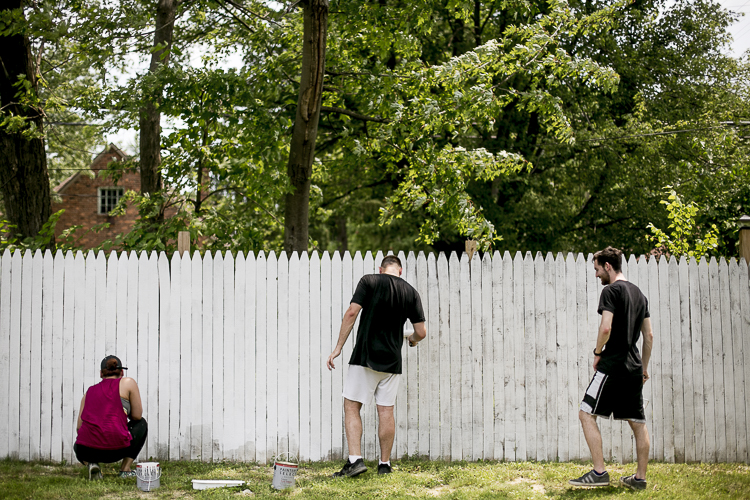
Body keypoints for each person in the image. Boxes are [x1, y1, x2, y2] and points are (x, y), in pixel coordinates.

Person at [327, 255, 427, 477]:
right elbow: (421, 332)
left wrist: (338, 348)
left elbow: (352, 313)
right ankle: (385, 464)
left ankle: (355, 460)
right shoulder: (411, 292)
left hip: (365, 357)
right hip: (392, 362)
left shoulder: (369, 281)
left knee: (352, 406)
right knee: (386, 410)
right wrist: (411, 341)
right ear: (400, 271)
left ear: (381, 269)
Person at [569, 247, 654, 490]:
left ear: (608, 266)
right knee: (638, 422)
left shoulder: (611, 290)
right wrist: (644, 368)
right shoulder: (639, 294)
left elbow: (605, 328)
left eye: (597, 269)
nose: (596, 275)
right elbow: (648, 335)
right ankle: (639, 478)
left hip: (612, 365)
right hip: (634, 367)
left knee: (586, 413)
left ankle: (598, 472)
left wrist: (597, 353)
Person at [74, 355, 148, 480]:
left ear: (101, 374)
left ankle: (92, 463)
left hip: (85, 451)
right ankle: (125, 469)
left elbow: (79, 427)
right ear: (122, 372)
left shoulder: (89, 392)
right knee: (141, 424)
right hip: (116, 450)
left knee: (80, 441)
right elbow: (136, 416)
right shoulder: (128, 382)